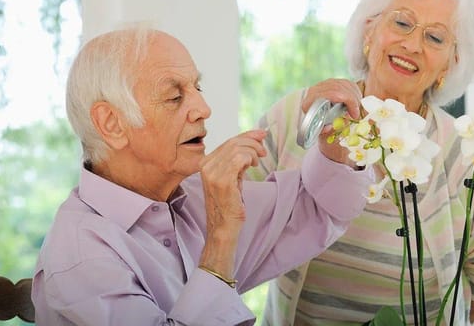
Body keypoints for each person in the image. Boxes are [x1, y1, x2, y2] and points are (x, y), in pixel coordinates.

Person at [31, 26, 373, 326]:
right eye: (175, 96)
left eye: (197, 88)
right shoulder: (80, 255)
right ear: (111, 124)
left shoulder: (193, 195)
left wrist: (335, 145)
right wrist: (222, 236)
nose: (203, 109)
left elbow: (318, 208)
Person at [248, 0, 474, 325]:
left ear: (450, 65)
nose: (413, 44)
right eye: (403, 22)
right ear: (369, 31)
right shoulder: (302, 113)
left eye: (435, 36)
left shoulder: (463, 155)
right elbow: (231, 216)